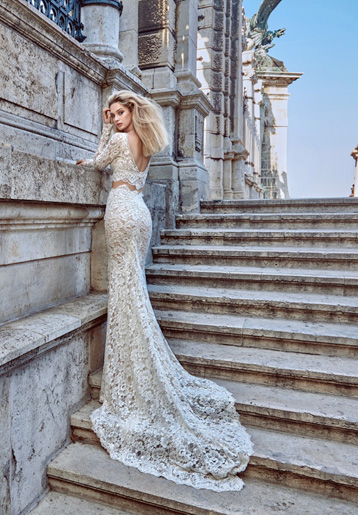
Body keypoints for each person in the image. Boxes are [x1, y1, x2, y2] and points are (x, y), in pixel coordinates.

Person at [76, 90, 253, 492]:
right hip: (139, 213)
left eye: (120, 113)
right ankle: (137, 360)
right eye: (114, 114)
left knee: (126, 291)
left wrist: (103, 132)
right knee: (130, 288)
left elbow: (100, 162)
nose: (117, 118)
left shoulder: (119, 138)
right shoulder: (147, 144)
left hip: (121, 209)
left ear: (130, 113)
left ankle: (133, 370)